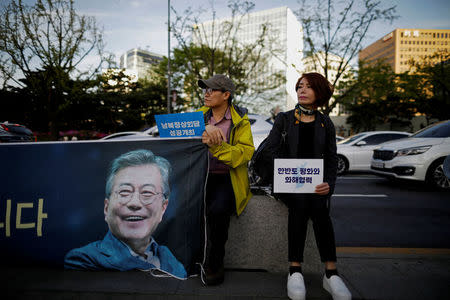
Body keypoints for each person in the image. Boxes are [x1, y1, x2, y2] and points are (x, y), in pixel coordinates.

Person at [264, 73, 351, 300]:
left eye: (308, 87)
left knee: (320, 208)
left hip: (315, 186)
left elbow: (331, 159)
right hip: (289, 185)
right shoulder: (283, 119)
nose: (302, 90)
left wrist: (329, 185)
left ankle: (331, 273)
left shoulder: (325, 123)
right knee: (300, 204)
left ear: (319, 92)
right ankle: (294, 270)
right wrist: (290, 173)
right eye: (300, 86)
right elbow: (270, 152)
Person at [64, 149, 187, 279]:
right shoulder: (83, 259)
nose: (135, 203)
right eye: (124, 192)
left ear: (163, 208)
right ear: (106, 208)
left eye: (147, 193)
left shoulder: (171, 261)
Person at [197, 74, 254, 285]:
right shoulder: (198, 117)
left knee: (218, 212)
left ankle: (215, 263)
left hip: (225, 178)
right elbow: (177, 136)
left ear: (226, 95)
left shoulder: (240, 121)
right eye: (205, 89)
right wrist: (204, 129)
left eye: (212, 90)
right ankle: (192, 259)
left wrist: (217, 146)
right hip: (198, 176)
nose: (207, 93)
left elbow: (244, 153)